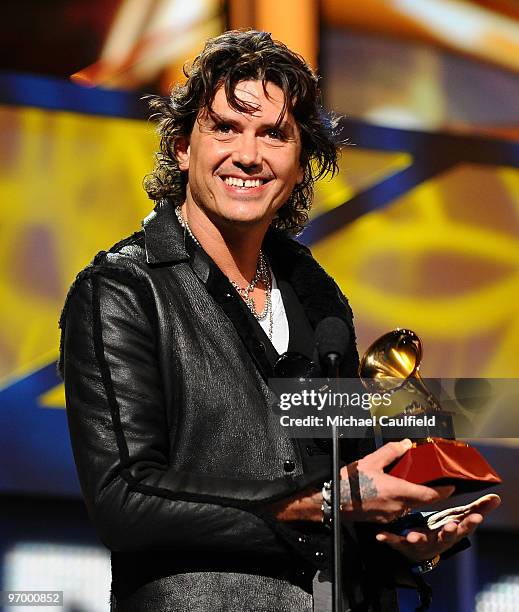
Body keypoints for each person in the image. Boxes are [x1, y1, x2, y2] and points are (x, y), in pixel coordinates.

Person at [59, 30, 500, 611]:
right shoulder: (122, 290)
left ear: (300, 165)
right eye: (225, 127)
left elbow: (342, 492)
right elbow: (126, 500)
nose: (249, 154)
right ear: (182, 148)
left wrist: (406, 538)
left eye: (274, 134)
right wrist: (324, 501)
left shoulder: (317, 296)